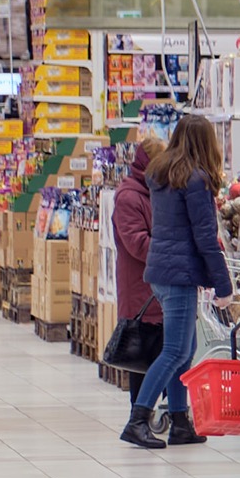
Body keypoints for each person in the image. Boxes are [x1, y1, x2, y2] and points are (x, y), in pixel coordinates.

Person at [121, 114, 235, 450]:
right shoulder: (195, 180)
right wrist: (224, 285)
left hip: (162, 271)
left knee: (182, 351)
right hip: (180, 274)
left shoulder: (162, 174)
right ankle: (138, 419)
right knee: (174, 351)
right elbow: (205, 236)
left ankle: (180, 421)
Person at [107, 133, 157, 392]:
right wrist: (171, 249)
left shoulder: (152, 193)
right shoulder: (129, 197)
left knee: (159, 352)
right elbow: (137, 244)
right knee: (142, 354)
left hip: (156, 286)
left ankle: (161, 413)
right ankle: (140, 414)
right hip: (140, 289)